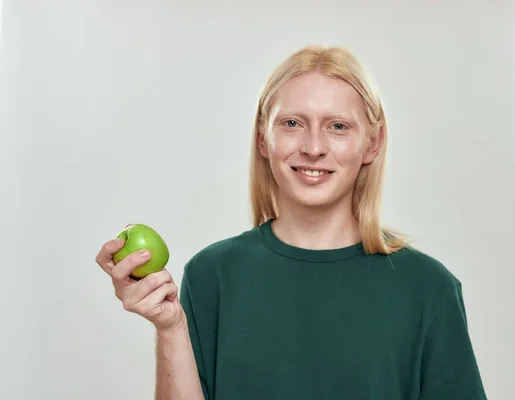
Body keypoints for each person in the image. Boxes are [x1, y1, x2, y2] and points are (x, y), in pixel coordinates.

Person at [95, 45, 488, 400]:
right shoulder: (212, 276)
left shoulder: (428, 289)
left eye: (338, 126)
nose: (313, 148)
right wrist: (170, 328)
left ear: (373, 143)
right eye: (292, 123)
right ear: (264, 139)